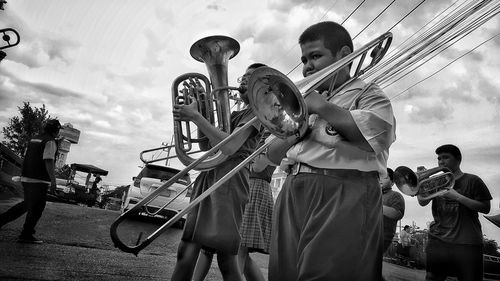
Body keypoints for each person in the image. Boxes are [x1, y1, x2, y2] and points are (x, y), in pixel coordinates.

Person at [264, 21, 396, 280]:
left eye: (315, 56)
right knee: (284, 274)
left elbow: (376, 137)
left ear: (345, 56)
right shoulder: (298, 104)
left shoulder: (369, 93)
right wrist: (298, 128)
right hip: (294, 189)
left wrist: (322, 107)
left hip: (344, 190)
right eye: (304, 59)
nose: (307, 66)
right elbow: (270, 155)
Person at [170, 63, 264, 281]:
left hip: (230, 181)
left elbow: (230, 147)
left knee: (226, 259)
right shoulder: (235, 113)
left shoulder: (258, 114)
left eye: (251, 77)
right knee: (186, 249)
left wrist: (196, 117)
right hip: (210, 175)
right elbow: (208, 147)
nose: (243, 80)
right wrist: (202, 109)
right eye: (244, 75)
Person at [419, 144, 492, 281]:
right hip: (438, 240)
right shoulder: (437, 182)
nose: (441, 162)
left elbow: (485, 207)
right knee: (432, 277)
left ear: (458, 159)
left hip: (467, 243)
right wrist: (421, 182)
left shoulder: (473, 180)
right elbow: (422, 202)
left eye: (445, 157)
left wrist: (457, 197)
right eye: (439, 158)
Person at [0, 119, 61, 243]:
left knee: (33, 206)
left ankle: (26, 234)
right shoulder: (50, 141)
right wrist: (53, 181)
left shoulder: (35, 138)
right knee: (30, 206)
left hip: (27, 176)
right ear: (56, 130)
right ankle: (24, 233)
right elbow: (48, 160)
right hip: (39, 180)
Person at [381, 168, 405, 253]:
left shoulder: (396, 195)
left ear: (392, 182)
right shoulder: (373, 193)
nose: (380, 179)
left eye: (385, 177)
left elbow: (397, 214)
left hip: (382, 237)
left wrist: (376, 205)